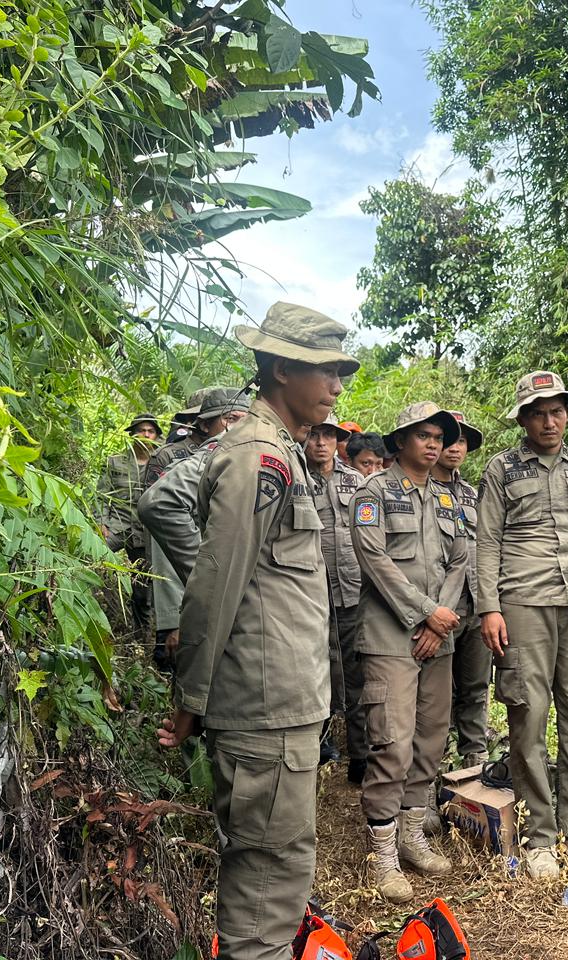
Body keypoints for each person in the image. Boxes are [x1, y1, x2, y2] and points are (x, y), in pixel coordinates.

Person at [156, 301, 359, 960]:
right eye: (324, 370)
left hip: (282, 700)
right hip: (265, 707)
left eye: (340, 372)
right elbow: (215, 583)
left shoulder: (279, 449)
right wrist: (191, 698)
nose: (336, 386)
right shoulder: (259, 456)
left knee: (274, 874)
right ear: (280, 369)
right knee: (267, 888)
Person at [476, 371, 568, 880]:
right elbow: (487, 542)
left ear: (566, 415)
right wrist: (489, 607)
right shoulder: (501, 469)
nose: (549, 421)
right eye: (538, 413)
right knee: (528, 717)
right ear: (523, 419)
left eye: (557, 411)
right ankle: (539, 837)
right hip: (523, 603)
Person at [348, 403, 468, 904]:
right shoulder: (373, 492)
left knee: (430, 739)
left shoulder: (447, 496)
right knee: (392, 742)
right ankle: (383, 854)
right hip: (389, 637)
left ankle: (412, 835)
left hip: (438, 638)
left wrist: (440, 620)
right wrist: (424, 612)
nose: (434, 443)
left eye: (439, 436)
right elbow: (374, 559)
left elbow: (461, 560)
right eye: (423, 435)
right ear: (400, 442)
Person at [145, 387, 250, 668]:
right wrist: (173, 620)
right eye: (231, 419)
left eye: (246, 420)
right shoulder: (177, 464)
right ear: (205, 425)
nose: (239, 428)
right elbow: (164, 534)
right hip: (193, 590)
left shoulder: (246, 461)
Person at [304, 415, 366, 774]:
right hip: (310, 597)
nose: (321, 442)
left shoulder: (356, 481)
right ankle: (321, 744)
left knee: (358, 673)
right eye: (314, 434)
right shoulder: (295, 477)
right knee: (316, 672)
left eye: (328, 435)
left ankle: (360, 753)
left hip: (353, 593)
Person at [431, 410, 488, 769]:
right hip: (439, 607)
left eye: (462, 441)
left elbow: (487, 546)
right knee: (436, 693)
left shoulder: (471, 494)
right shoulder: (421, 490)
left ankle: (475, 757)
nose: (455, 448)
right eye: (449, 440)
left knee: (476, 686)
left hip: (477, 603)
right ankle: (434, 762)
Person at [96, 413, 160, 630]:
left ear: (156, 436)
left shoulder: (162, 462)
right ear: (132, 434)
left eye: (151, 431)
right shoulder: (115, 461)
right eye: (141, 430)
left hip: (146, 531)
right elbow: (101, 495)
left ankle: (142, 633)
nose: (146, 435)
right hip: (118, 525)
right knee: (90, 557)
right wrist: (101, 522)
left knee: (143, 588)